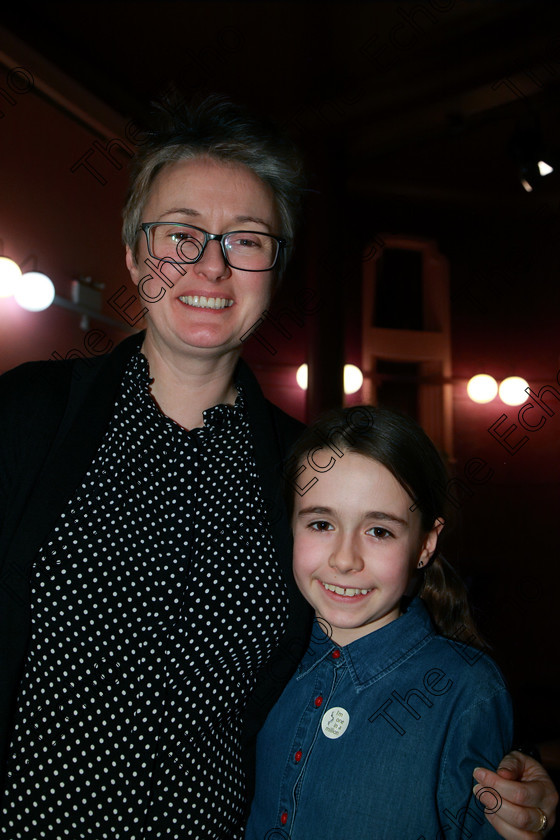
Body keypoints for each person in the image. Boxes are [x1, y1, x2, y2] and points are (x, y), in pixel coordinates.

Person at [0, 93, 556, 839]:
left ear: (275, 268)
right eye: (180, 234)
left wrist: (492, 778)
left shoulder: (305, 467)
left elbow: (366, 649)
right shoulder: (28, 415)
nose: (210, 264)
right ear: (135, 251)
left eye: (246, 240)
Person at [244, 406, 550, 840]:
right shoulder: (257, 655)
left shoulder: (466, 689)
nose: (345, 559)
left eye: (379, 531)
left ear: (425, 544)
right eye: (321, 523)